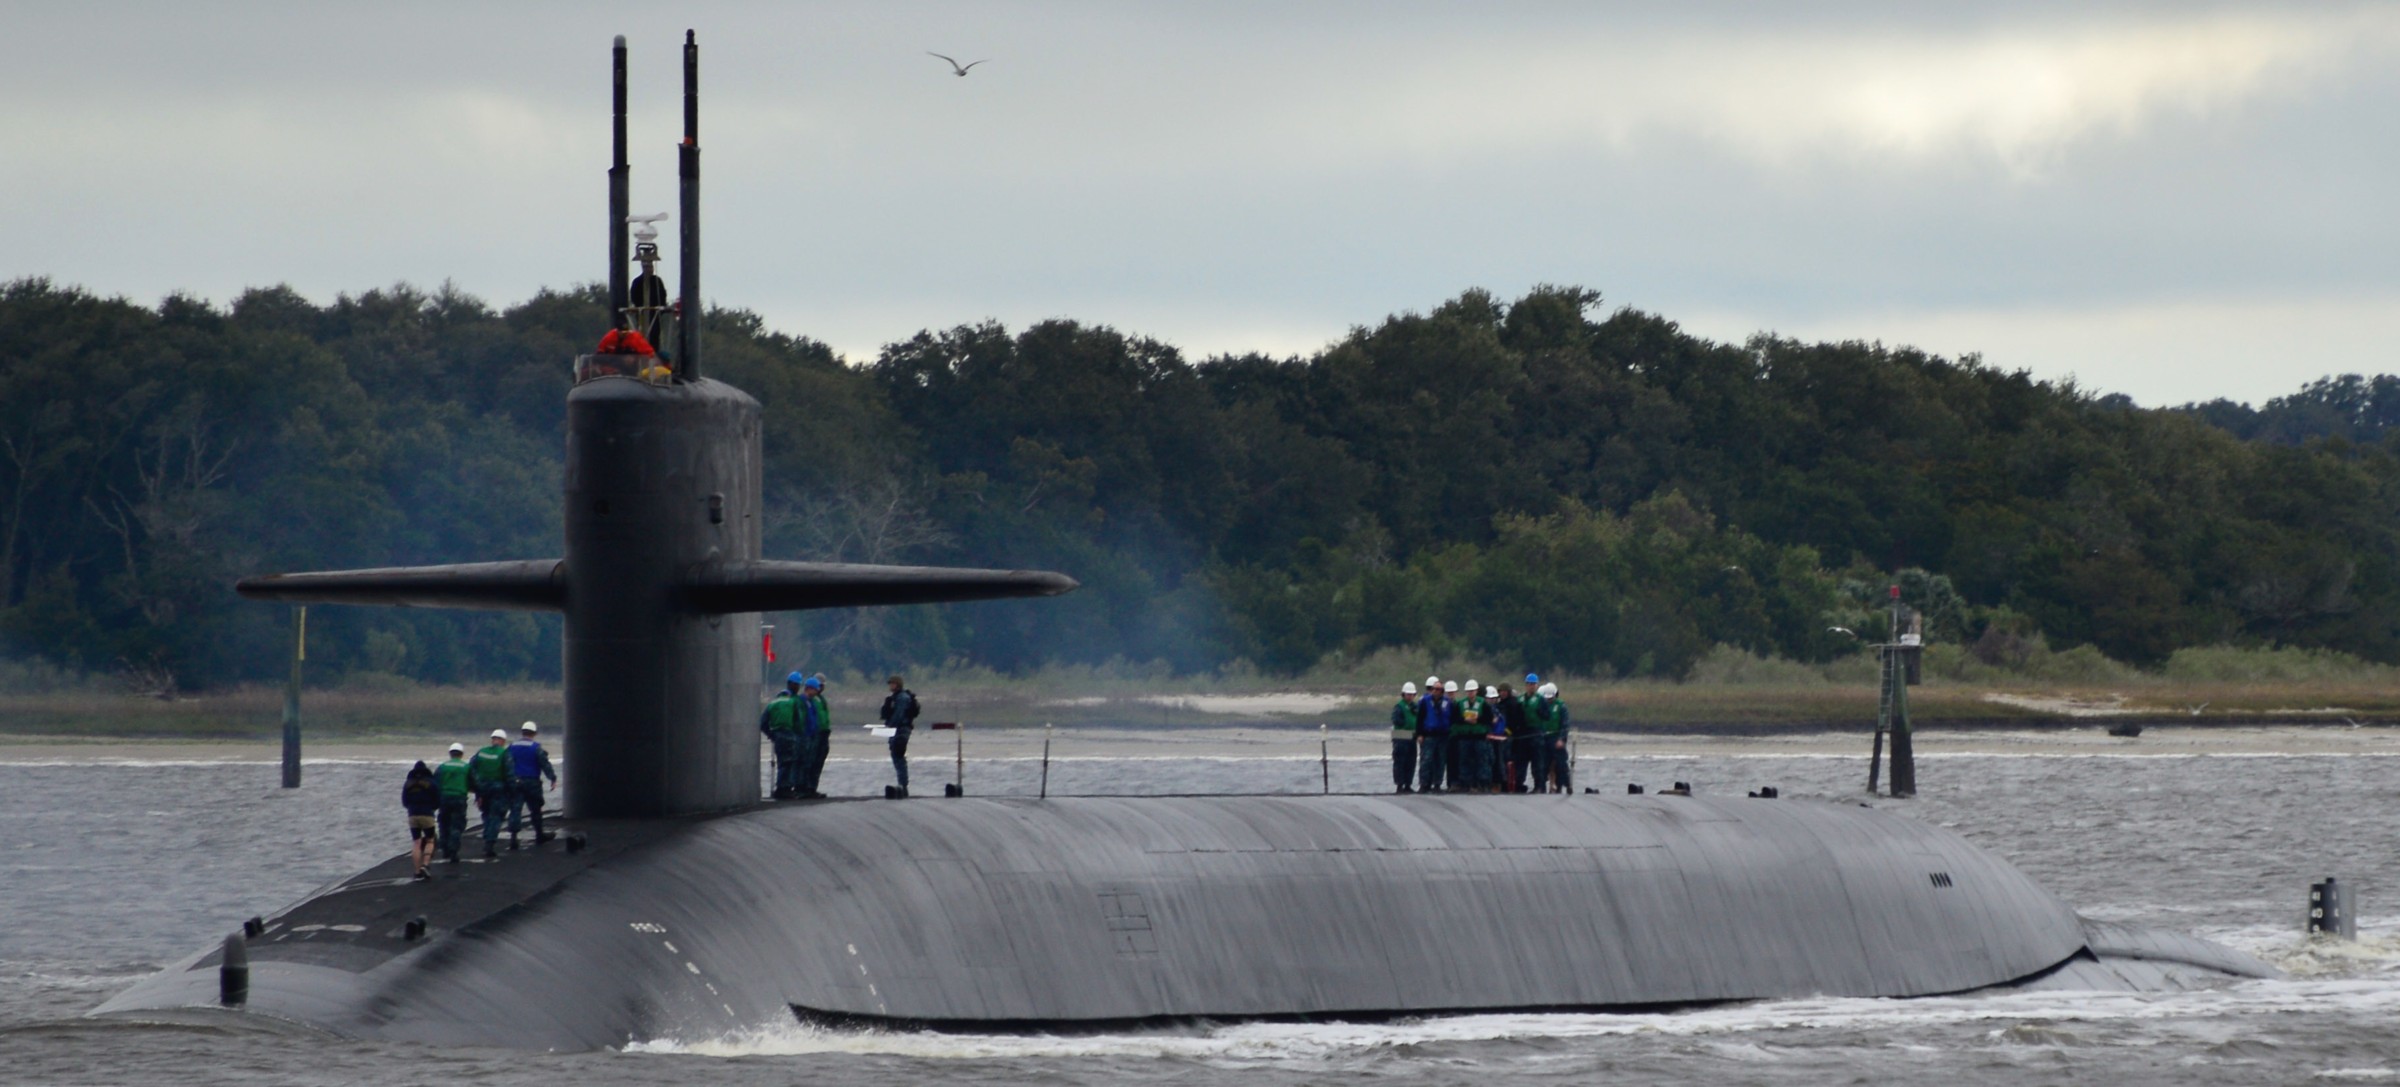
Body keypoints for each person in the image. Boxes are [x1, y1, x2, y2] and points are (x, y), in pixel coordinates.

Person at [506, 722, 558, 847]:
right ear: (534, 733)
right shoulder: (536, 748)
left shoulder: (512, 747)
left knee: (515, 809)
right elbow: (544, 764)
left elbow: (506, 764)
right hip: (532, 783)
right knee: (535, 809)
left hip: (516, 782)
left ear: (522, 732)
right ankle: (539, 835)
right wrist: (552, 778)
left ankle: (513, 838)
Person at [468, 728, 517, 857]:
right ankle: (489, 843)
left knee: (486, 815)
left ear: (492, 739)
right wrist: (513, 791)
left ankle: (486, 837)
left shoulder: (481, 752)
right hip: (498, 790)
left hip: (482, 790)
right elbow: (510, 774)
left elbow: (471, 768)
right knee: (496, 817)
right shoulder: (505, 754)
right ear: (503, 741)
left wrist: (475, 787)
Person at [760, 673, 804, 798]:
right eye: (797, 685)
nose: (798, 687)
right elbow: (798, 721)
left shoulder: (772, 703)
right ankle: (784, 789)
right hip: (789, 734)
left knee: (782, 763)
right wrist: (798, 735)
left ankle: (781, 788)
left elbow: (762, 723)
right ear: (791, 684)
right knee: (789, 763)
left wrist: (771, 735)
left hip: (778, 735)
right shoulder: (793, 702)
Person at [880, 675, 921, 796]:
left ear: (897, 685)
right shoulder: (895, 697)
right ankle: (902, 784)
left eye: (892, 683)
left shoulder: (902, 698)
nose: (890, 686)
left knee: (898, 754)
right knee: (895, 754)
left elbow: (899, 715)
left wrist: (890, 725)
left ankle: (903, 785)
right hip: (896, 729)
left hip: (902, 729)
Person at [433, 743, 472, 863]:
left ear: (450, 754)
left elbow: (435, 784)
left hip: (444, 799)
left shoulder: (442, 767)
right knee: (457, 825)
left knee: (444, 824)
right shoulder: (466, 767)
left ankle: (445, 849)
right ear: (461, 754)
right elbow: (473, 782)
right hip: (459, 799)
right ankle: (453, 851)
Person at [402, 761, 439, 879]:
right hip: (427, 814)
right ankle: (425, 864)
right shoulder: (431, 782)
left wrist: (411, 808)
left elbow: (404, 802)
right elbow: (437, 800)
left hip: (412, 815)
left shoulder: (408, 783)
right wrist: (432, 808)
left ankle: (417, 871)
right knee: (430, 840)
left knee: (416, 842)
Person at [797, 675, 831, 798]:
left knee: (818, 763)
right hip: (814, 734)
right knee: (810, 762)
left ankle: (812, 788)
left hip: (823, 733)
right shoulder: (807, 700)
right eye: (819, 686)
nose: (820, 688)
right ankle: (805, 788)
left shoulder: (820, 699)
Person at [1415, 676, 1450, 793]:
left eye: (1438, 689)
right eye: (1433, 689)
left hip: (1443, 736)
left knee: (1440, 761)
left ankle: (1437, 784)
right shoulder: (1425, 701)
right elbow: (1420, 719)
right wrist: (1419, 734)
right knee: (1426, 760)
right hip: (1429, 735)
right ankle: (1424, 784)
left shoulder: (1448, 702)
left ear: (1442, 691)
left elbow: (1451, 718)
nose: (1435, 691)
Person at [1454, 681, 1488, 792]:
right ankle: (1465, 783)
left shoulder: (1483, 703)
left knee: (1481, 760)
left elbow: (1489, 718)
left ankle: (1481, 784)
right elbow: (1454, 719)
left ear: (1476, 691)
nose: (1470, 693)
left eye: (1472, 691)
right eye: (1468, 691)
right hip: (1465, 737)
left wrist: (1477, 720)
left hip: (1479, 737)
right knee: (1464, 760)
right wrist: (1465, 720)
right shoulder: (1460, 704)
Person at [1389, 681, 1420, 793]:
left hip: (1411, 738)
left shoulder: (1415, 707)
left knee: (1411, 762)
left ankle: (1408, 784)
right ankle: (1399, 785)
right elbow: (1396, 720)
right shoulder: (1399, 707)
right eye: (1408, 694)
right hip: (1401, 739)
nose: (1410, 696)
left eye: (1412, 694)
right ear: (1404, 694)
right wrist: (1407, 723)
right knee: (1400, 762)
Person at [1481, 686, 1511, 793]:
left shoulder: (1498, 710)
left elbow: (1503, 726)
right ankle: (1486, 783)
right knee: (1487, 761)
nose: (1492, 700)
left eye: (1494, 698)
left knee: (1498, 762)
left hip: (1498, 740)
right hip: (1486, 739)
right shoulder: (1484, 709)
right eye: (1490, 698)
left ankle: (1498, 783)